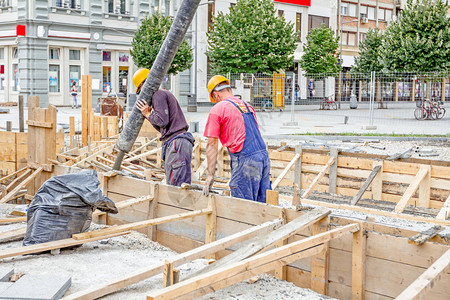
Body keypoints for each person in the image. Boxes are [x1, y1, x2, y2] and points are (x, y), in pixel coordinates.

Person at [202, 75, 271, 203]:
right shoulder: (247, 106)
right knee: (264, 206)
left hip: (246, 162)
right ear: (229, 90)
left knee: (243, 208)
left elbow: (212, 144)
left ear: (215, 95)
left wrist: (210, 175)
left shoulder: (218, 109)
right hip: (263, 158)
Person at [133, 68, 194, 187]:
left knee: (176, 186)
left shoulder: (158, 94)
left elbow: (162, 121)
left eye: (141, 91)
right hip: (178, 142)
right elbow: (163, 127)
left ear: (144, 85)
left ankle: (177, 206)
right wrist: (150, 116)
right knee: (180, 184)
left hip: (177, 143)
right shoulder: (162, 95)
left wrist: (148, 114)